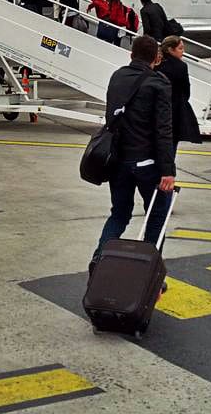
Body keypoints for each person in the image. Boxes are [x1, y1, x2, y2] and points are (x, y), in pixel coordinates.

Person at [91, 35, 176, 268]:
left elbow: (111, 117)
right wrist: (168, 170)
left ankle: (100, 260)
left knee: (119, 214)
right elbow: (164, 130)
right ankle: (147, 270)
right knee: (157, 215)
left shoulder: (117, 76)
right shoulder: (159, 83)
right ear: (156, 59)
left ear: (131, 55)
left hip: (118, 161)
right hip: (147, 163)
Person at [157, 35, 202, 150]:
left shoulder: (156, 64)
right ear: (170, 50)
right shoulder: (181, 66)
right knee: (172, 144)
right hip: (175, 109)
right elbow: (186, 89)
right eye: (180, 48)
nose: (183, 51)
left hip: (157, 108)